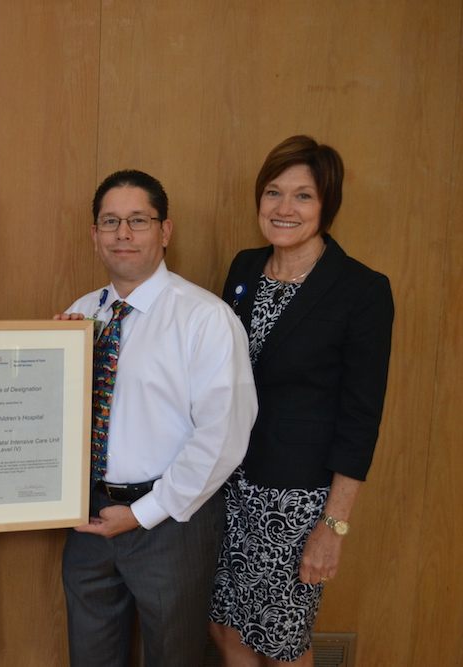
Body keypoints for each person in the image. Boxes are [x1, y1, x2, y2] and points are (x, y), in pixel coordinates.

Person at [57, 169, 258, 666]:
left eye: (138, 221)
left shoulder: (204, 317)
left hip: (170, 523)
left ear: (164, 232)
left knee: (174, 658)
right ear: (95, 235)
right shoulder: (79, 316)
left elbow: (223, 437)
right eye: (110, 221)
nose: (122, 234)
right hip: (87, 520)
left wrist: (145, 513)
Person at [209, 136, 394, 666]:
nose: (283, 208)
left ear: (326, 206)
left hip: (294, 502)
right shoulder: (244, 269)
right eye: (273, 192)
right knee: (226, 630)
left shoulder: (362, 290)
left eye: (303, 196)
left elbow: (361, 419)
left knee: (283, 644)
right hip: (231, 485)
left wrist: (332, 528)